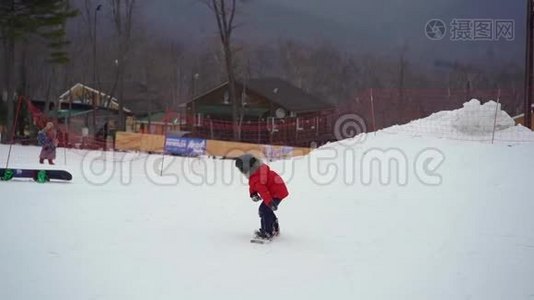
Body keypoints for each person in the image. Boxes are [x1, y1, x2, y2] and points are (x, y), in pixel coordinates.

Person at [235, 154, 289, 239]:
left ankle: (268, 232)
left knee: (264, 210)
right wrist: (253, 193)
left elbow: (263, 191)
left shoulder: (257, 176)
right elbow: (253, 184)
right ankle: (274, 227)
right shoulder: (257, 172)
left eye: (241, 169)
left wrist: (270, 202)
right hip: (276, 191)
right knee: (266, 210)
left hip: (276, 193)